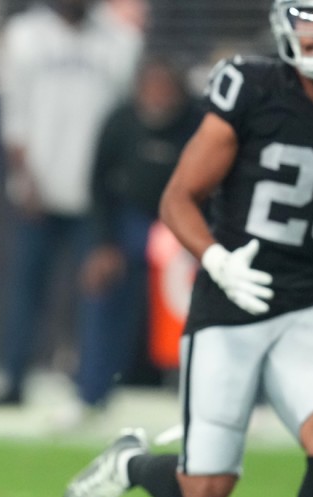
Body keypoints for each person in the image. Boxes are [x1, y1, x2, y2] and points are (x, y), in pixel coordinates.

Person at [61, 0, 313, 497]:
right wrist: (216, 260)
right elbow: (177, 197)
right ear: (284, 27)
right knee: (204, 490)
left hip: (307, 303)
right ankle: (130, 465)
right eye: (310, 21)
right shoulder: (255, 87)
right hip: (231, 299)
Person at [0, 0, 142, 409]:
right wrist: (25, 179)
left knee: (96, 295)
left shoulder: (121, 39)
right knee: (25, 292)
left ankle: (91, 388)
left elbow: (124, 121)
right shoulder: (24, 34)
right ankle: (14, 379)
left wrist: (112, 188)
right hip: (38, 188)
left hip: (96, 194)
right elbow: (13, 114)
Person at [77, 57, 201, 409]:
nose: (158, 98)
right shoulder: (120, 121)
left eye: (166, 89)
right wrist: (103, 243)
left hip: (184, 221)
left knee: (205, 304)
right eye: (151, 89)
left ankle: (202, 396)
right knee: (104, 290)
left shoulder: (199, 124)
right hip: (130, 221)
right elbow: (98, 184)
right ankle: (91, 393)